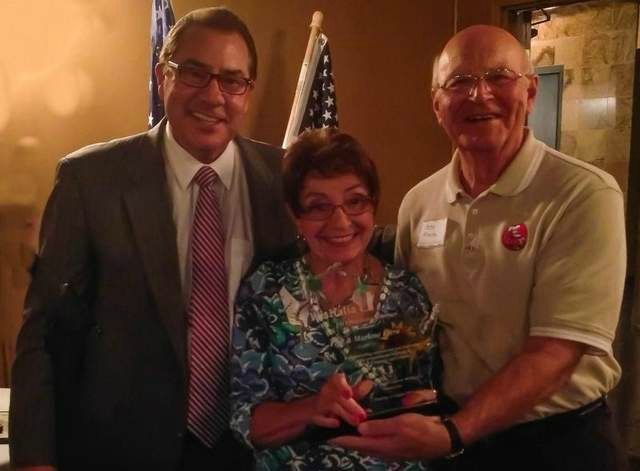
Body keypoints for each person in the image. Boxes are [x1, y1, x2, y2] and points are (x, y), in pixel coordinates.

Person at [9, 7, 295, 471]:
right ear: (164, 76)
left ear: (248, 91)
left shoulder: (284, 179)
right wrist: (34, 459)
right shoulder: (91, 180)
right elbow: (43, 330)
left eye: (231, 80)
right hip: (121, 451)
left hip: (255, 451)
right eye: (195, 73)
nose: (213, 95)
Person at [332, 25, 628, 471]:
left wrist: (455, 432)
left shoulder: (583, 195)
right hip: (453, 436)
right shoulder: (419, 202)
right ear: (437, 105)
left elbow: (555, 353)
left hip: (557, 444)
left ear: (530, 92)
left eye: (499, 77)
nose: (479, 94)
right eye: (460, 82)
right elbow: (412, 326)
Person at [229, 128, 441, 470]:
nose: (340, 221)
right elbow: (247, 423)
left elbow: (425, 393)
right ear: (295, 214)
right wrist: (313, 407)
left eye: (355, 201)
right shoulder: (265, 291)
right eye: (319, 206)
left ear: (373, 204)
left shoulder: (407, 293)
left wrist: (424, 404)